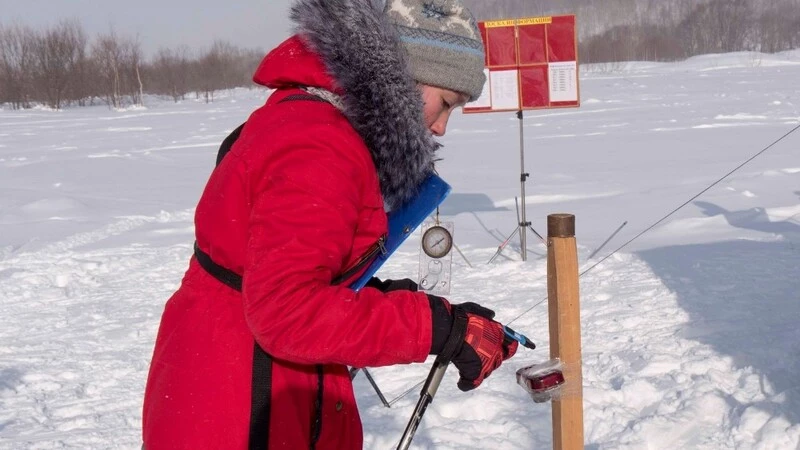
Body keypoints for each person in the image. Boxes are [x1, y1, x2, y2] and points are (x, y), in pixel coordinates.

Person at [142, 0, 518, 448]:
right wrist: (436, 328)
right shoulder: (320, 146)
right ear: (404, 76)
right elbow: (287, 311)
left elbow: (270, 269)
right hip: (241, 405)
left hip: (234, 377)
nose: (440, 128)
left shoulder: (312, 120)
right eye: (446, 103)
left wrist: (398, 302)